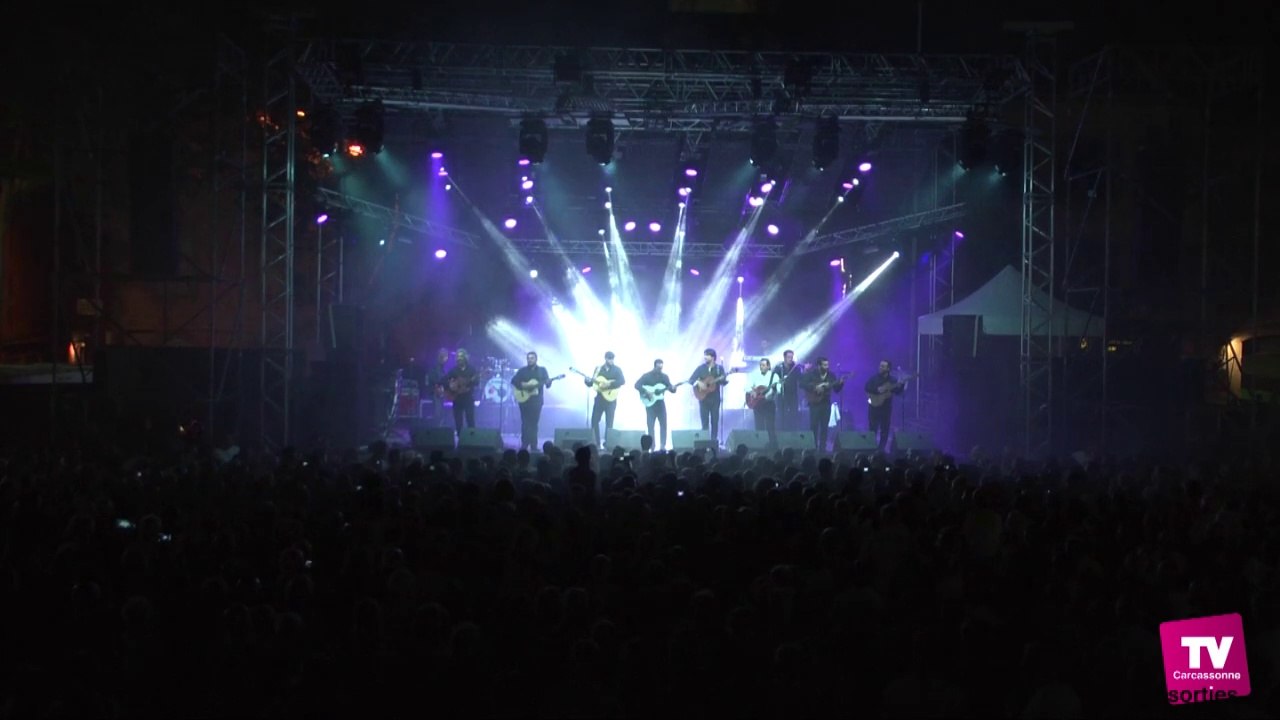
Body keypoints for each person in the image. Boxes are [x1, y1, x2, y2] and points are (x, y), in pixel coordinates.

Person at [511, 351, 555, 452]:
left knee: (534, 423)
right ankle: (524, 444)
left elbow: (547, 385)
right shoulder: (522, 371)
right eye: (528, 358)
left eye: (532, 358)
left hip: (537, 401)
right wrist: (524, 385)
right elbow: (514, 381)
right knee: (525, 423)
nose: (530, 360)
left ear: (536, 359)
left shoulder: (542, 370)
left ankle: (533, 445)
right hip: (524, 400)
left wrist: (549, 383)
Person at [801, 357, 845, 453]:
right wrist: (815, 387)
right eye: (824, 365)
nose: (827, 367)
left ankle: (822, 448)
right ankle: (813, 447)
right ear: (819, 365)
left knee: (824, 426)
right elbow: (802, 384)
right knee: (814, 426)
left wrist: (841, 383)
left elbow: (836, 390)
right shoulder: (812, 374)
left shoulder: (831, 375)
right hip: (814, 403)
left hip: (826, 403)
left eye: (827, 365)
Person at [635, 359, 680, 451]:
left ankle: (662, 445)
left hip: (660, 404)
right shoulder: (646, 376)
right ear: (654, 366)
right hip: (650, 405)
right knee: (650, 425)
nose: (660, 369)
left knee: (663, 424)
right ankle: (652, 446)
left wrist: (674, 389)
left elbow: (670, 388)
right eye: (658, 367)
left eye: (661, 367)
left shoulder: (664, 377)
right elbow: (637, 385)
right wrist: (646, 391)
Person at [688, 348, 729, 446]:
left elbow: (723, 382)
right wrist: (698, 382)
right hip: (703, 398)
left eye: (707, 355)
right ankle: (704, 442)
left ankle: (713, 442)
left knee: (715, 421)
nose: (705, 357)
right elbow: (691, 380)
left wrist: (723, 380)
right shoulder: (700, 368)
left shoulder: (719, 368)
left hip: (715, 398)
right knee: (704, 421)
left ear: (713, 357)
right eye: (704, 355)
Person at [585, 351, 625, 449]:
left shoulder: (617, 370)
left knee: (609, 422)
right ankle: (597, 443)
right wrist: (587, 381)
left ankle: (608, 444)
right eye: (609, 358)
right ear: (605, 358)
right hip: (599, 399)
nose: (611, 361)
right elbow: (593, 383)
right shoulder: (598, 369)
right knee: (594, 420)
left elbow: (622, 381)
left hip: (611, 400)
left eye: (612, 359)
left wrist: (609, 384)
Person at [864, 359, 906, 453]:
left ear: (888, 369)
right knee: (872, 429)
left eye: (883, 366)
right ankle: (871, 449)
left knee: (885, 430)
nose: (880, 368)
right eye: (880, 365)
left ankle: (881, 449)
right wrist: (878, 390)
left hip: (886, 409)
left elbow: (898, 392)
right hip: (873, 407)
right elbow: (866, 387)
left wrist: (902, 384)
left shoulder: (892, 380)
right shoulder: (874, 378)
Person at [442, 348, 481, 437]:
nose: (459, 359)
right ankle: (460, 439)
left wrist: (471, 381)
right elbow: (444, 380)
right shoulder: (454, 370)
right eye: (457, 357)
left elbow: (477, 382)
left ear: (465, 358)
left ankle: (472, 438)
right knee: (458, 421)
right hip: (457, 398)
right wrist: (451, 386)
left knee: (470, 419)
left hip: (468, 398)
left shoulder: (471, 369)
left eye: (461, 357)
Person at [747, 357, 780, 447]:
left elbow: (779, 389)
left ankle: (772, 445)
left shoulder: (774, 376)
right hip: (757, 404)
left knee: (770, 425)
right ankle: (760, 444)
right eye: (760, 365)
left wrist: (774, 388)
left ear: (769, 366)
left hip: (769, 404)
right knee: (759, 425)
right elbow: (747, 387)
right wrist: (752, 391)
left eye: (763, 365)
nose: (761, 367)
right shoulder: (754, 375)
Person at [775, 349, 804, 431]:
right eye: (788, 357)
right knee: (781, 416)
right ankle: (781, 434)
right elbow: (773, 380)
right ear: (784, 357)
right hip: (782, 396)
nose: (790, 359)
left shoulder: (796, 368)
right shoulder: (779, 368)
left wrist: (804, 371)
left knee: (793, 415)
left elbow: (801, 380)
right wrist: (779, 382)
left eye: (791, 357)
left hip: (793, 396)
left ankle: (792, 434)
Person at [426, 348, 451, 426]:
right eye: (446, 357)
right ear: (442, 357)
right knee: (438, 411)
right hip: (434, 392)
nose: (447, 359)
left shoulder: (442, 367)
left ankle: (442, 424)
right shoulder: (435, 366)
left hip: (440, 392)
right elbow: (433, 379)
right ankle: (436, 425)